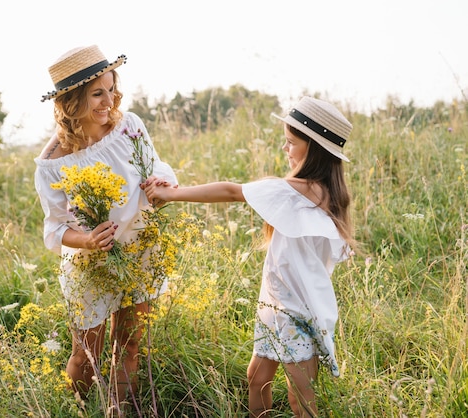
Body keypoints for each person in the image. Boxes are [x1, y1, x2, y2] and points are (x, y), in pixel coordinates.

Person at [143, 96, 356, 417]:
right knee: (256, 379)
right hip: (276, 307)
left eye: (291, 143)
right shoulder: (323, 192)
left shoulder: (299, 190)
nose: (286, 149)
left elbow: (231, 191)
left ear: (313, 149)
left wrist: (171, 193)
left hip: (297, 314)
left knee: (301, 399)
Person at [34, 45, 177, 411]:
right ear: (71, 101)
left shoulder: (129, 126)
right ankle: (76, 410)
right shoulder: (52, 164)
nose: (109, 101)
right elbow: (53, 230)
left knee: (129, 345)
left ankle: (118, 410)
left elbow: (156, 165)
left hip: (140, 249)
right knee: (86, 356)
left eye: (111, 89)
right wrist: (86, 239)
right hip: (90, 264)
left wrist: (159, 185)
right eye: (98, 93)